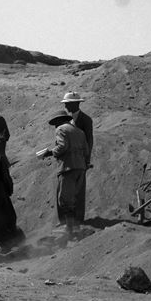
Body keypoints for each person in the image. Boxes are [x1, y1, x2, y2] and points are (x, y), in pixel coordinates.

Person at [39, 111, 90, 236]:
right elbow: (86, 150)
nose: (55, 127)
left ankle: (70, 228)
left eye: (55, 124)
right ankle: (75, 227)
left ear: (58, 121)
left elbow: (62, 146)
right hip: (80, 168)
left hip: (68, 167)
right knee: (74, 198)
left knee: (64, 199)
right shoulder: (79, 131)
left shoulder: (61, 129)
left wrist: (50, 152)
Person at [62, 91, 93, 225]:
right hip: (68, 161)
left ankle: (78, 220)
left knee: (78, 192)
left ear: (76, 104)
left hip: (79, 160)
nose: (66, 107)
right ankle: (67, 221)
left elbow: (89, 141)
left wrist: (87, 160)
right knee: (65, 192)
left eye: (68, 104)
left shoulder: (85, 120)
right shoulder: (67, 119)